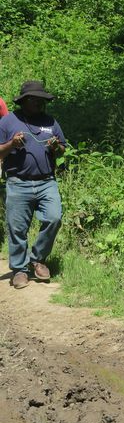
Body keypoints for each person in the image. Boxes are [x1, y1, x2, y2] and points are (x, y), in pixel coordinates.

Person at [0, 81, 65, 289]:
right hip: (18, 182)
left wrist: (56, 146)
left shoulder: (50, 121)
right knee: (17, 229)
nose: (40, 103)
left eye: (42, 100)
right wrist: (12, 144)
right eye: (35, 100)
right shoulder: (8, 122)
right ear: (25, 101)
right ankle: (19, 270)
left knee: (54, 218)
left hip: (47, 181)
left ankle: (37, 259)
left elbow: (63, 148)